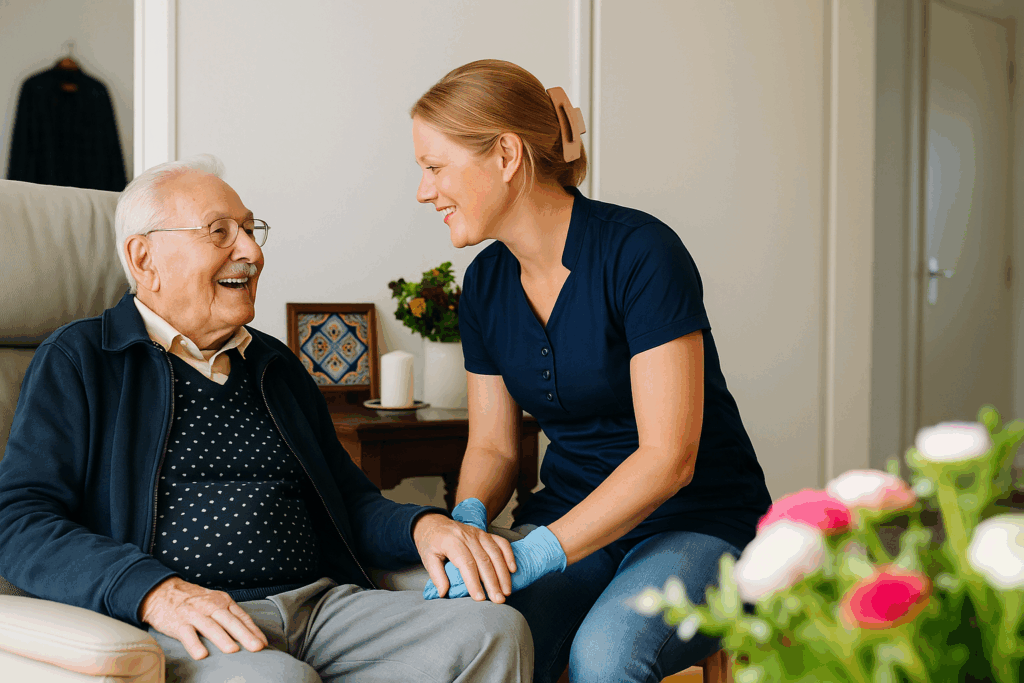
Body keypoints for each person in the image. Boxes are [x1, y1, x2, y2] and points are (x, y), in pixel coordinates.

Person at [0, 155, 532, 683]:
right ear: (144, 259)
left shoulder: (274, 365)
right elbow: (19, 520)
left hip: (322, 608)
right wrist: (151, 591)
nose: (251, 252)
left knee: (492, 631)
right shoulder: (82, 359)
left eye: (251, 231)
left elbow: (348, 499)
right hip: (189, 621)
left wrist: (423, 525)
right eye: (220, 232)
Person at [410, 59, 773, 683]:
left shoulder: (640, 253)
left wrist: (538, 553)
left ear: (505, 155)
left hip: (697, 522)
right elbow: (494, 447)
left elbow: (669, 459)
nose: (424, 191)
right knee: (480, 639)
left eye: (435, 167)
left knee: (605, 657)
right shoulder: (485, 285)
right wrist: (469, 524)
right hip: (570, 513)